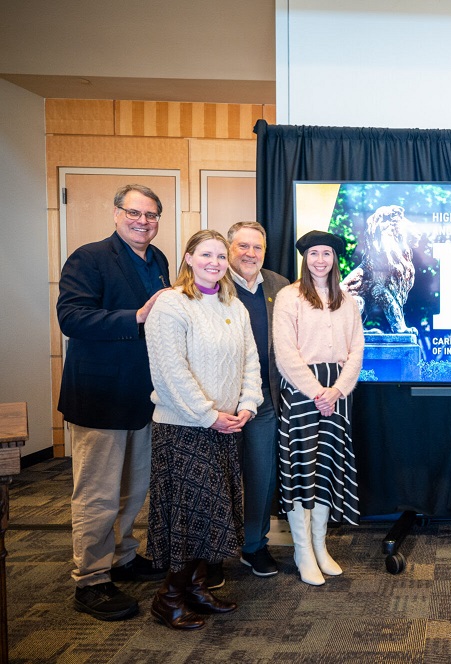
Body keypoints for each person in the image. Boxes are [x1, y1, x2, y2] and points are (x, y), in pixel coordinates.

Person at [57, 184, 170, 621]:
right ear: (116, 213)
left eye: (151, 215)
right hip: (100, 397)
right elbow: (71, 317)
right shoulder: (89, 258)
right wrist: (136, 317)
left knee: (133, 487)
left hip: (143, 397)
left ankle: (121, 557)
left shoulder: (158, 261)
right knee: (98, 494)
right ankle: (90, 579)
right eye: (134, 213)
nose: (143, 221)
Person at [144, 229, 263, 630]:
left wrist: (247, 405)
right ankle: (169, 597)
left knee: (213, 513)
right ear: (189, 258)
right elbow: (170, 373)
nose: (214, 262)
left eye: (219, 256)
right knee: (190, 515)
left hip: (226, 427)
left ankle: (196, 588)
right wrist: (208, 414)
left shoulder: (234, 305)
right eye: (205, 255)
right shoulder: (171, 305)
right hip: (184, 430)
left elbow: (250, 361)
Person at [274, 230, 364, 585]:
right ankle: (301, 550)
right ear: (305, 258)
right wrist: (317, 392)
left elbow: (356, 350)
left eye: (326, 253)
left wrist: (337, 390)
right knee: (302, 468)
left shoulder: (347, 299)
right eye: (314, 254)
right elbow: (285, 353)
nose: (320, 260)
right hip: (302, 390)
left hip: (338, 391)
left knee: (326, 467)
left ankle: (319, 545)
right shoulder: (289, 297)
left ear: (335, 259)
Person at [227, 221, 290, 580]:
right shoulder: (211, 283)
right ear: (229, 248)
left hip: (265, 398)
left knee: (261, 474)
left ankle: (254, 546)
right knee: (218, 478)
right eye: (243, 246)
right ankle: (211, 553)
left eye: (257, 248)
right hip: (219, 400)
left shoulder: (279, 285)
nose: (250, 254)